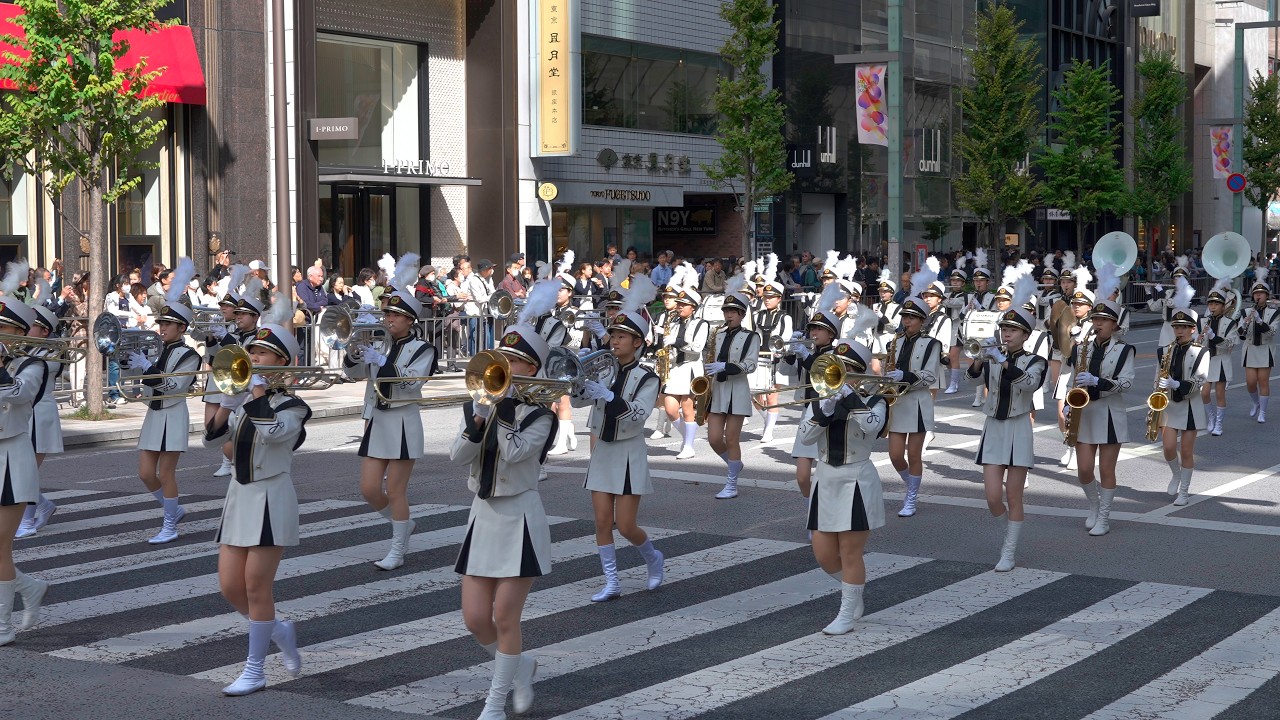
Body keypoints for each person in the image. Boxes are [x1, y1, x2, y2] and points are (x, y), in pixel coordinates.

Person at [450, 324, 556, 720]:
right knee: (476, 620)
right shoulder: (482, 405)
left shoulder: (541, 417)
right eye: (504, 360)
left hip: (520, 519)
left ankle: (495, 704)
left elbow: (515, 454)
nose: (506, 367)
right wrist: (476, 420)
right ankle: (519, 666)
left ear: (532, 368)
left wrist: (505, 410)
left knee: (505, 617)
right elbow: (457, 457)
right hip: (483, 516)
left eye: (515, 361)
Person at [204, 320, 309, 696]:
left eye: (261, 353)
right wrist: (227, 403)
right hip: (239, 496)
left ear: (281, 361)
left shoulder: (294, 407)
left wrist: (256, 394)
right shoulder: (248, 400)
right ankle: (277, 628)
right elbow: (212, 440)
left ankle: (255, 670)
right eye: (251, 352)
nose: (252, 358)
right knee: (230, 586)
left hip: (270, 498)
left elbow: (275, 433)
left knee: (255, 586)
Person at [572, 297, 665, 603]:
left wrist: (609, 397)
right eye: (612, 335)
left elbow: (639, 415)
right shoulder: (603, 369)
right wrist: (579, 384)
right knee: (601, 521)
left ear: (637, 342)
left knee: (625, 525)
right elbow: (576, 402)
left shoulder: (648, 377)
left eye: (621, 336)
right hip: (604, 449)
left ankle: (653, 557)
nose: (614, 341)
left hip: (627, 452)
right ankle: (612, 581)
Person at [797, 338, 887, 634]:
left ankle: (847, 613)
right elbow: (806, 439)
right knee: (823, 554)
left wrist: (850, 400)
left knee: (850, 553)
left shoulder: (876, 401)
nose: (838, 375)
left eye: (846, 370)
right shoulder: (820, 399)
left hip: (856, 480)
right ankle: (855, 590)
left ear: (859, 375)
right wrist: (823, 410)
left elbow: (873, 426)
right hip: (825, 480)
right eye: (836, 368)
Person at [344, 277, 435, 570]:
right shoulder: (378, 342)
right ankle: (403, 524)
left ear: (410, 320)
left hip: (403, 422)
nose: (389, 318)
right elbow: (354, 374)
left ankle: (397, 549)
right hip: (378, 418)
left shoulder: (423, 348)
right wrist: (351, 349)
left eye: (395, 315)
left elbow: (410, 384)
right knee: (369, 489)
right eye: (387, 314)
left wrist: (382, 361)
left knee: (396, 491)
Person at [966, 299, 1046, 571]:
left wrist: (1004, 363)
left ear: (1025, 335)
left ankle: (1009, 551)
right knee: (991, 497)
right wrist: (979, 359)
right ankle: (1007, 536)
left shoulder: (1036, 361)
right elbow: (972, 380)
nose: (1006, 333)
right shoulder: (992, 355)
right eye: (1004, 329)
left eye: (1013, 330)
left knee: (1013, 495)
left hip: (1018, 426)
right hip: (993, 426)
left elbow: (1030, 384)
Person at [129, 295, 201, 544]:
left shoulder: (189, 355)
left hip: (173, 413)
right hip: (155, 413)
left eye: (168, 324)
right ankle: (175, 509)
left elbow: (173, 385)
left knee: (166, 473)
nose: (162, 327)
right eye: (161, 323)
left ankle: (170, 526)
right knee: (145, 473)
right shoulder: (161, 350)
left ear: (182, 328)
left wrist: (148, 368)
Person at [0, 293, 50, 644]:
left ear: (17, 332)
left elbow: (18, 394)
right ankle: (30, 587)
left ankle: (3, 626)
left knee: (0, 547)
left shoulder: (35, 366)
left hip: (13, 459)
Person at [1067, 296, 1133, 537]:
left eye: (1104, 320)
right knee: (1084, 469)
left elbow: (1126, 383)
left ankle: (1104, 517)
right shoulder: (1081, 347)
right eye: (1096, 319)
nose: (1098, 323)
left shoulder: (1125, 349)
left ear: (1114, 324)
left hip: (1109, 412)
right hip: (1084, 411)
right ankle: (1094, 505)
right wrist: (1067, 404)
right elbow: (1072, 379)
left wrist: (1098, 381)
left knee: (1106, 469)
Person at [884, 295, 942, 518]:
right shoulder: (895, 341)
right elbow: (890, 366)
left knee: (914, 455)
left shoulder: (931, 344)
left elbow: (929, 376)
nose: (907, 321)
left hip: (917, 402)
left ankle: (911, 498)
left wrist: (905, 375)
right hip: (897, 402)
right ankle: (912, 485)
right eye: (905, 317)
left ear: (922, 320)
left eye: (912, 317)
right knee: (895, 455)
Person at [704, 279, 760, 499]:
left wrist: (727, 366)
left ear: (742, 314)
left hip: (736, 391)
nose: (729, 316)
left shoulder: (750, 336)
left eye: (734, 312)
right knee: (714, 438)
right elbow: (710, 357)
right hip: (718, 389)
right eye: (727, 311)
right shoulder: (717, 334)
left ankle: (731, 484)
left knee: (732, 438)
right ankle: (734, 465)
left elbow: (751, 364)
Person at [13, 304, 66, 538]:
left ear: (45, 332)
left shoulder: (51, 354)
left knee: (29, 471)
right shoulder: (21, 349)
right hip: (23, 412)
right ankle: (43, 505)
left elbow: (38, 372)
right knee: (18, 470)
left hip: (41, 413)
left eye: (31, 326)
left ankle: (26, 520)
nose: (25, 330)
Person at [1158, 307, 1209, 506]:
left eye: (1184, 327)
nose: (1179, 331)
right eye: (1176, 327)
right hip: (1169, 404)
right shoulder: (1164, 350)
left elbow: (1201, 379)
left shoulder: (1201, 351)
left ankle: (1185, 492)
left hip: (1190, 404)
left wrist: (1179, 384)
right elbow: (1158, 376)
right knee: (1168, 448)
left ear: (1193, 329)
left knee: (1186, 451)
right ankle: (1176, 474)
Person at [660, 282, 708, 459]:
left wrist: (676, 342)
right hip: (675, 368)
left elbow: (696, 348)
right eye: (678, 304)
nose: (679, 307)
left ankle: (688, 445)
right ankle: (688, 437)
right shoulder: (672, 323)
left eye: (683, 305)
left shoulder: (701, 324)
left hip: (690, 368)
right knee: (670, 409)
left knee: (688, 408)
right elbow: (669, 345)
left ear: (693, 307)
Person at [1054, 268, 1094, 470]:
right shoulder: (1068, 319)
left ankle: (1079, 449)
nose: (1076, 306)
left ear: (1089, 307)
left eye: (1080, 304)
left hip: (1082, 373)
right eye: (1074, 303)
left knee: (1079, 413)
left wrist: (1079, 338)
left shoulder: (1094, 325)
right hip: (1066, 368)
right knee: (1062, 413)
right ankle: (1069, 446)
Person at [751, 281, 792, 444]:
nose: (767, 300)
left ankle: (768, 430)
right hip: (760, 358)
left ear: (779, 298)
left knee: (771, 397)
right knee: (754, 395)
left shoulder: (785, 317)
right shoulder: (757, 316)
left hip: (777, 361)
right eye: (765, 297)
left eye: (771, 297)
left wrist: (778, 352)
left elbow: (786, 339)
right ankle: (768, 420)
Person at [1200, 285, 1239, 437]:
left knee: (1220, 394)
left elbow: (1230, 343)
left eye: (1216, 304)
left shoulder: (1230, 323)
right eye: (1210, 304)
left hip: (1221, 360)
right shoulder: (1203, 321)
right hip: (1206, 361)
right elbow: (1197, 342)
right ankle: (1211, 417)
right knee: (1204, 393)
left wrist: (1213, 337)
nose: (1213, 307)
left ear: (1223, 306)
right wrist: (1201, 337)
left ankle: (1219, 424)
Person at [1239, 276, 1278, 423]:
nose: (1258, 296)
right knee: (1250, 382)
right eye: (1256, 293)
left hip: (1265, 349)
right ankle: (1255, 402)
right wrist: (1243, 325)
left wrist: (1260, 321)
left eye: (1261, 293)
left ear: (1267, 296)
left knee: (1263, 381)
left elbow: (1272, 332)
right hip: (1250, 349)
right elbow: (1239, 333)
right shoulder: (1245, 312)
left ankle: (1262, 411)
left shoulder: (1274, 313)